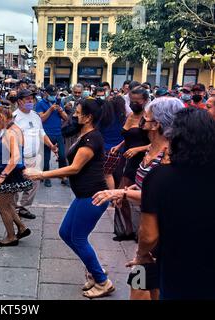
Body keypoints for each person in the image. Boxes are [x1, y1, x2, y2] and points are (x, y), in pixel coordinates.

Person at [93, 97, 184, 300]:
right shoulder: (152, 148)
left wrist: (121, 192)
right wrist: (134, 188)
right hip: (147, 237)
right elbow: (149, 187)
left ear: (157, 124)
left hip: (159, 239)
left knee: (141, 286)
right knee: (147, 287)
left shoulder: (169, 154)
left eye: (146, 118)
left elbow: (161, 195)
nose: (142, 121)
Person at [25, 97, 115, 299]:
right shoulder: (84, 134)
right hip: (83, 195)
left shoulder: (93, 139)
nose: (74, 113)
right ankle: (95, 271)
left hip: (93, 196)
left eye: (78, 111)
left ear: (88, 117)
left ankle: (102, 281)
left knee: (78, 237)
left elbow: (75, 169)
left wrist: (41, 174)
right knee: (66, 233)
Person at [132, 108, 215, 299]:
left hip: (166, 258)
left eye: (148, 118)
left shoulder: (160, 176)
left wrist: (141, 253)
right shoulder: (151, 159)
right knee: (138, 282)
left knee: (141, 281)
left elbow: (148, 235)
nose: (143, 121)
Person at [110, 86, 150, 241]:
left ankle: (143, 232)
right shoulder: (130, 115)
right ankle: (127, 229)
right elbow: (128, 136)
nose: (133, 103)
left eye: (137, 101)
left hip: (142, 161)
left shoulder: (149, 118)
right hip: (126, 159)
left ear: (145, 101)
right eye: (131, 100)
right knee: (122, 195)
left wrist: (137, 149)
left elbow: (158, 143)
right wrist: (119, 146)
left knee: (138, 197)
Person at [0, 106, 33, 247]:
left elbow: (15, 157)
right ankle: (21, 227)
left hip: (9, 173)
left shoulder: (9, 132)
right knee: (7, 204)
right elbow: (9, 149)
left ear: (1, 117)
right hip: (14, 172)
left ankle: (10, 237)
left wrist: (1, 177)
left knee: (1, 205)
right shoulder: (14, 128)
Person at [14, 89, 58, 220]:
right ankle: (14, 209)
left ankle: (23, 207)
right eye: (27, 99)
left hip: (34, 157)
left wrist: (51, 145)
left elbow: (41, 133)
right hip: (19, 158)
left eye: (31, 99)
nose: (30, 101)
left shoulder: (35, 115)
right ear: (19, 101)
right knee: (16, 185)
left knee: (34, 183)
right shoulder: (14, 117)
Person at [35, 84, 68, 188]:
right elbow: (41, 119)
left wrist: (60, 111)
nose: (53, 96)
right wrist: (50, 109)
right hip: (46, 134)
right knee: (46, 158)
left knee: (62, 156)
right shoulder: (40, 104)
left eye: (54, 94)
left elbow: (66, 118)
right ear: (46, 93)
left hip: (58, 133)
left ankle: (63, 176)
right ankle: (46, 177)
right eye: (51, 94)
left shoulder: (59, 102)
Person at [99, 96, 126, 189]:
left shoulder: (105, 118)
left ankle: (110, 196)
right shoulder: (124, 119)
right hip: (120, 151)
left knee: (106, 175)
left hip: (105, 150)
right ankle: (116, 197)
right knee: (117, 174)